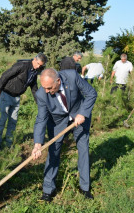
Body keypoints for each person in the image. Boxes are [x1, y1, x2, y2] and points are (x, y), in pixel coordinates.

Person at [31, 68, 97, 202]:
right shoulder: (41, 94)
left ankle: (85, 187)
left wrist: (83, 113)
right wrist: (37, 144)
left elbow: (91, 93)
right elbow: (41, 119)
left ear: (58, 81)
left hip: (79, 116)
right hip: (58, 122)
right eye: (44, 88)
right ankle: (48, 189)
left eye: (49, 88)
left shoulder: (72, 76)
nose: (46, 91)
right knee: (53, 151)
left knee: (83, 149)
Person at [0, 53, 47, 151]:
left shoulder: (35, 72)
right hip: (6, 94)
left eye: (41, 65)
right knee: (2, 120)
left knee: (13, 122)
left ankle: (9, 145)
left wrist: (39, 102)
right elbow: (5, 75)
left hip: (16, 98)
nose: (38, 66)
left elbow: (34, 89)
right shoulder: (22, 65)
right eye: (38, 64)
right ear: (35, 59)